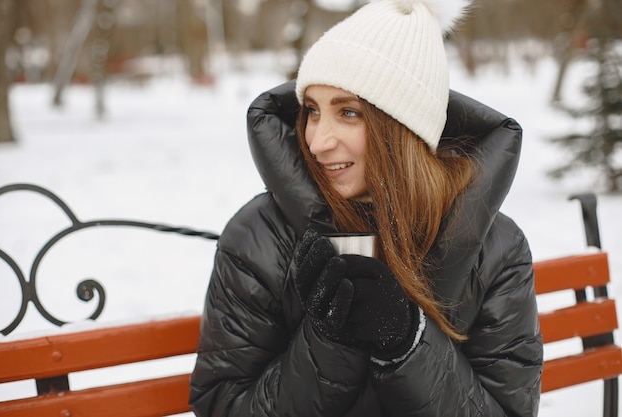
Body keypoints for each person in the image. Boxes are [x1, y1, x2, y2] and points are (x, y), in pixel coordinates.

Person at [189, 0, 543, 415]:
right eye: (313, 111)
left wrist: (408, 343)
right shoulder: (260, 237)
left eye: (349, 112)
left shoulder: (495, 246)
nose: (318, 141)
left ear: (404, 127)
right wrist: (329, 340)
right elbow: (223, 404)